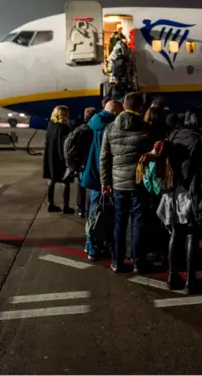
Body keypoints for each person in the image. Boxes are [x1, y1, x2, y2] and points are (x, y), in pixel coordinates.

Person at [100, 92, 153, 273]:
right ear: (140, 107)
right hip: (139, 182)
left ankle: (117, 261)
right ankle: (138, 261)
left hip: (118, 183)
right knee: (139, 221)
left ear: (123, 106)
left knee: (119, 222)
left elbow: (104, 158)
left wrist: (105, 181)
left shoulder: (110, 128)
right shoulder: (146, 128)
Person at [166, 107, 202, 293]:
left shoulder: (174, 135)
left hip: (172, 191)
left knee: (175, 232)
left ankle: (172, 276)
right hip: (192, 191)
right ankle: (190, 280)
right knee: (192, 234)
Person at [81, 100, 123, 259]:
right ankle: (94, 248)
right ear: (114, 113)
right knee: (98, 213)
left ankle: (89, 244)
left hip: (90, 174)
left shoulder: (93, 121)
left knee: (93, 211)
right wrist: (105, 181)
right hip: (99, 178)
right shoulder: (105, 127)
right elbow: (103, 157)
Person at [43, 105, 73, 214]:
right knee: (65, 181)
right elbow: (65, 145)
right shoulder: (64, 127)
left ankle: (50, 204)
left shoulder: (50, 125)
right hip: (61, 158)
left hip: (51, 157)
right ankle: (66, 206)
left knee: (51, 180)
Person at [75, 107, 98, 218]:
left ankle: (80, 208)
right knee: (91, 187)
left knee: (81, 186)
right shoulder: (96, 128)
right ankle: (89, 210)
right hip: (91, 161)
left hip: (82, 163)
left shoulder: (80, 128)